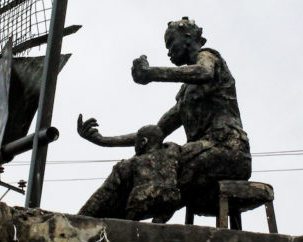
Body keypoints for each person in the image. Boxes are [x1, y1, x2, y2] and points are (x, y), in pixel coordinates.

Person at [77, 17, 251, 220]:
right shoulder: (186, 97)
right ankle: (91, 222)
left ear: (188, 37)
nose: (168, 51)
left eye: (170, 43)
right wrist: (103, 140)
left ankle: (118, 227)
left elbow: (203, 71)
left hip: (228, 150)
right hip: (202, 155)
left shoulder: (209, 58)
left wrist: (151, 74)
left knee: (161, 163)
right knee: (132, 167)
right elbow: (153, 134)